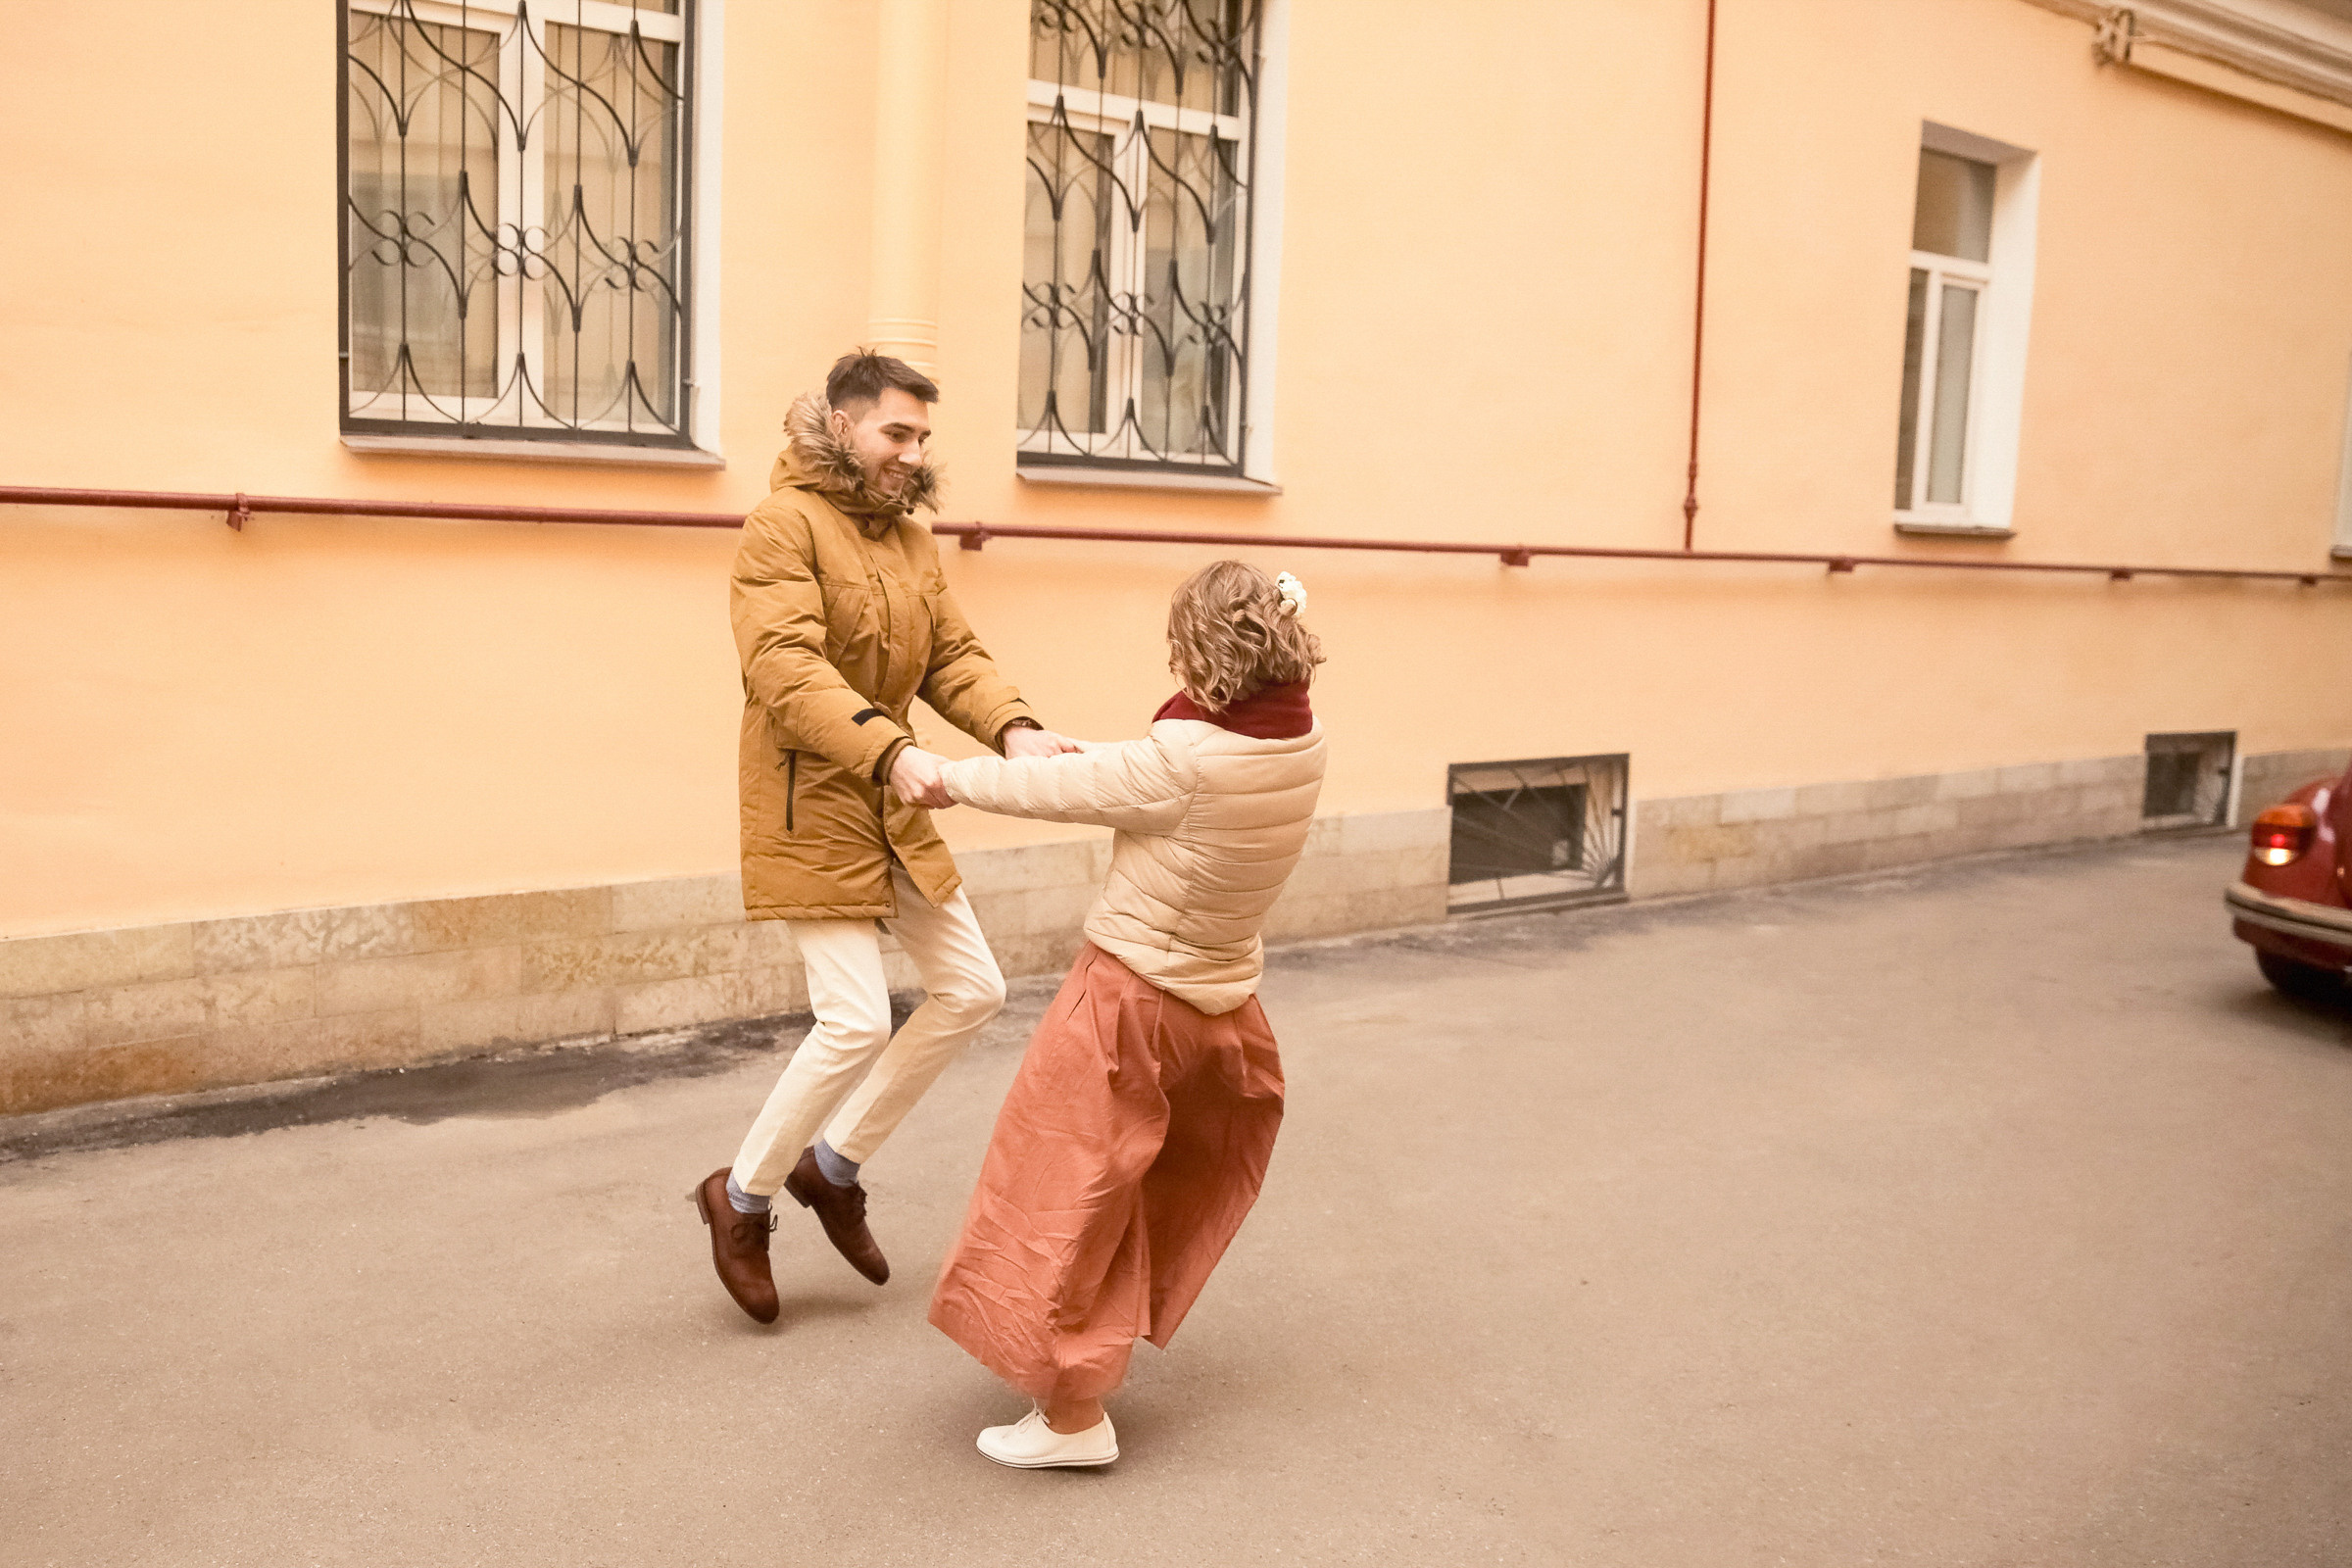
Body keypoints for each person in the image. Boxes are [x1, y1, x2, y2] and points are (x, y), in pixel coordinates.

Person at [910, 561, 1328, 1468]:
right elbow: (1148, 776)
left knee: (1058, 1195)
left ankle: (1071, 1419)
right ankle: (1084, 1378)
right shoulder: (1300, 739)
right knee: (1130, 1197)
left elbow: (1106, 786)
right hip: (1223, 1004)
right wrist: (1081, 755)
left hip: (1129, 1001)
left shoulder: (1180, 763)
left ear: (1205, 650)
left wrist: (944, 778)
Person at [694, 352, 1079, 1326]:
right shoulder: (783, 525)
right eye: (895, 434)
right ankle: (739, 1200)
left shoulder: (911, 538)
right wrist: (888, 749)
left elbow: (951, 654)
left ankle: (833, 1164)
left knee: (974, 988)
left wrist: (1014, 728)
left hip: (891, 795)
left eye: (921, 438)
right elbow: (783, 665)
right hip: (812, 796)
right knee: (855, 1018)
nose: (912, 454)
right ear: (841, 423)